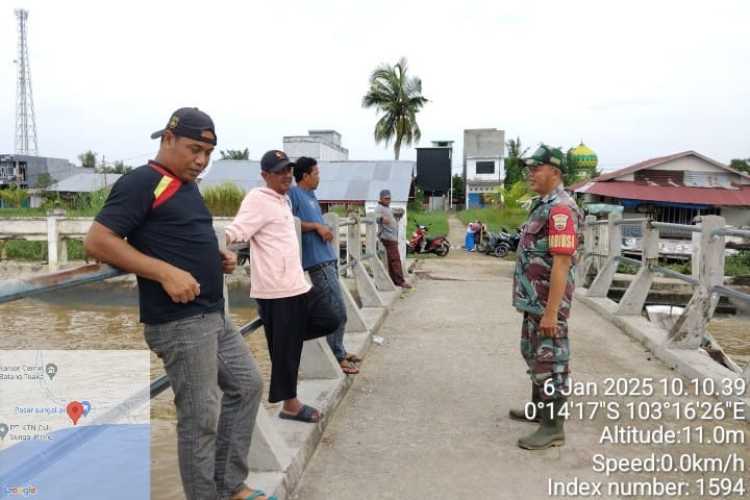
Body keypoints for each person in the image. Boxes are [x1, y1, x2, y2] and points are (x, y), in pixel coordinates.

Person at [85, 108, 271, 500]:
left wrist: (218, 254)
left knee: (247, 385)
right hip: (179, 322)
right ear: (167, 140)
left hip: (210, 314)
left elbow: (181, 234)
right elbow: (99, 240)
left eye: (208, 151)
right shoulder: (142, 182)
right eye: (194, 149)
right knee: (200, 417)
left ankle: (228, 485)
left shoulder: (185, 184)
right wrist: (164, 272)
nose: (201, 160)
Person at [225, 150, 341, 424]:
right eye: (279, 171)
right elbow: (237, 230)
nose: (287, 175)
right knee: (287, 347)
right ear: (265, 175)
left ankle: (284, 341)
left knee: (330, 318)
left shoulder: (283, 200)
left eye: (288, 169)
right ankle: (290, 405)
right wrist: (222, 243)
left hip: (296, 283)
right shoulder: (258, 199)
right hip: (276, 289)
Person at [510, 144, 582, 451]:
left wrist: (552, 312)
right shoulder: (542, 205)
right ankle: (539, 410)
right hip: (534, 300)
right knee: (533, 353)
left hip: (548, 304)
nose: (530, 174)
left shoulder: (561, 209)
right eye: (528, 169)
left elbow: (562, 263)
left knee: (550, 360)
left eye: (535, 168)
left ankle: (553, 427)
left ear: (554, 172)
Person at [288, 156, 360, 375]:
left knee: (339, 308)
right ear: (305, 176)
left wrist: (322, 228)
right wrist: (317, 227)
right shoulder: (294, 194)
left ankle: (338, 349)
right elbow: (290, 222)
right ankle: (337, 356)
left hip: (328, 258)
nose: (319, 177)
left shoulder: (311, 196)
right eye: (316, 173)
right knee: (336, 310)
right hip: (316, 263)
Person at [375, 189, 411, 288]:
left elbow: (396, 212)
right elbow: (375, 216)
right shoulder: (380, 208)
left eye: (389, 198)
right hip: (387, 237)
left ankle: (394, 281)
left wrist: (399, 212)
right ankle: (400, 281)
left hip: (392, 237)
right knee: (395, 260)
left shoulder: (388, 208)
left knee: (392, 261)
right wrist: (382, 219)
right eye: (386, 198)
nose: (388, 200)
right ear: (381, 198)